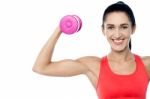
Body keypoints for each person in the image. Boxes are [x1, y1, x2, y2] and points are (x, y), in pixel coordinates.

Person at [33, 1, 150, 99]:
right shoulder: (93, 65)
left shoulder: (146, 64)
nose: (117, 34)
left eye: (124, 27)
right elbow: (41, 67)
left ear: (133, 29)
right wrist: (60, 29)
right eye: (111, 27)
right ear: (103, 30)